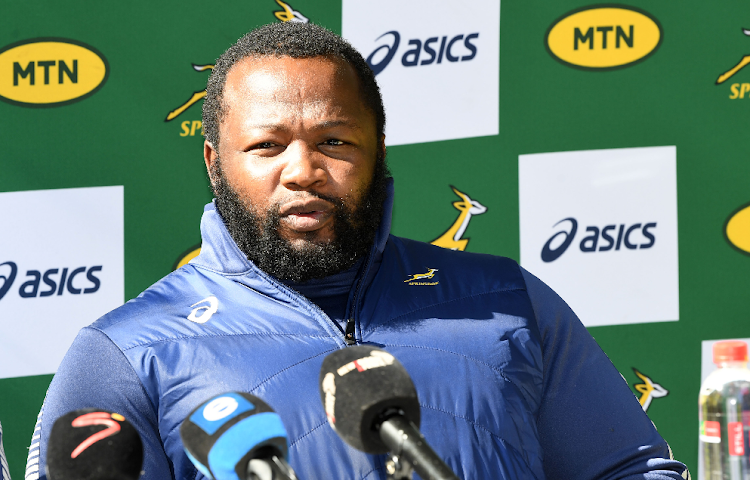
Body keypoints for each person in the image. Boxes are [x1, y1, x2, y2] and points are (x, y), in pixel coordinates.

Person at [29, 22, 690, 480]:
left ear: (377, 150)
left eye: (335, 142)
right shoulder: (127, 353)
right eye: (267, 146)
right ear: (213, 162)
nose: (303, 171)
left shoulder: (504, 302)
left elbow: (628, 468)